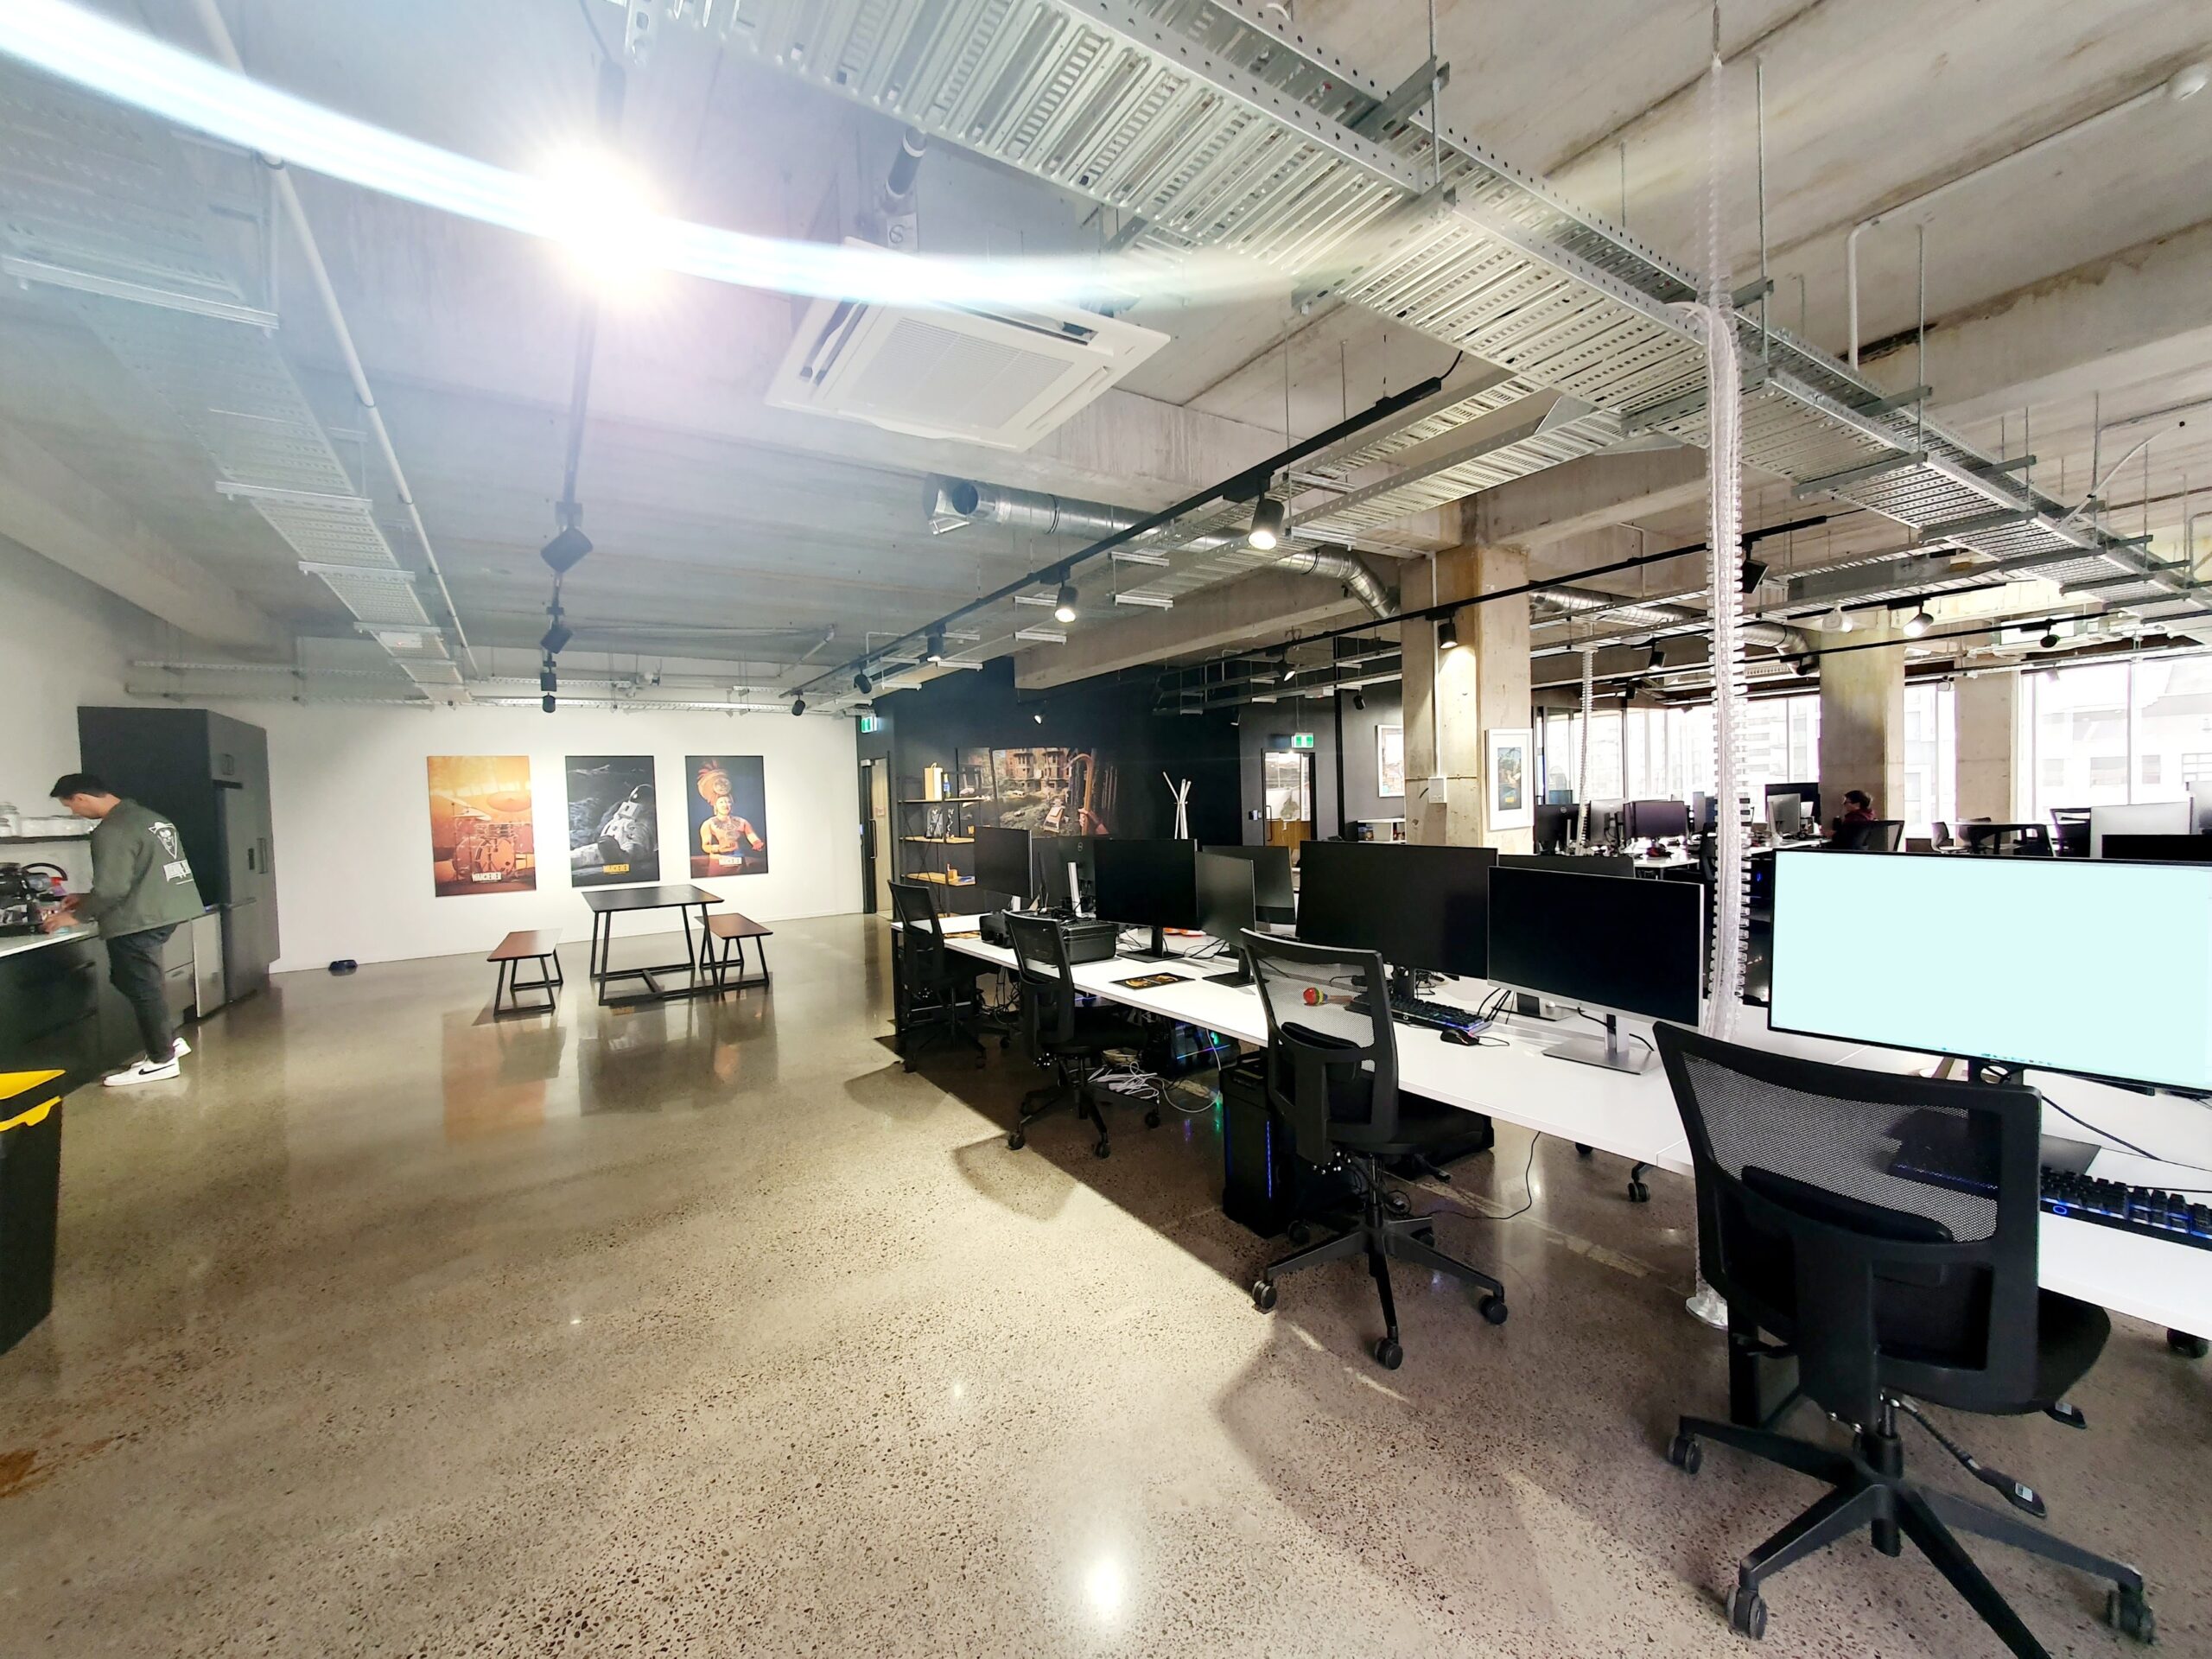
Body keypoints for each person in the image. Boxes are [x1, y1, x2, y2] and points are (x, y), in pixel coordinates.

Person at [44, 773, 207, 1086]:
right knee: (130, 980)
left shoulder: (111, 829)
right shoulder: (150, 818)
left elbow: (111, 889)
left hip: (138, 919)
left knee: (142, 987)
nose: (74, 813)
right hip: (167, 909)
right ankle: (167, 1043)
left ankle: (161, 1061)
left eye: (71, 806)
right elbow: (140, 873)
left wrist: (76, 916)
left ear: (81, 798)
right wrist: (87, 897)